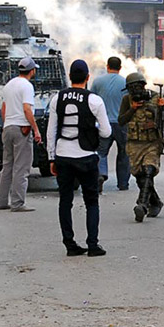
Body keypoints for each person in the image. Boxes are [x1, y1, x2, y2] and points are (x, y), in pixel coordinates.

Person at [47, 60, 111, 255]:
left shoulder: (57, 98)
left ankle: (70, 244)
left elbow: (51, 131)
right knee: (91, 201)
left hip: (63, 155)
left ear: (69, 76)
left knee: (65, 200)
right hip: (86, 156)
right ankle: (93, 244)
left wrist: (51, 157)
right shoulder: (94, 100)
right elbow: (107, 132)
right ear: (87, 77)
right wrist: (94, 132)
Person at [120, 72, 164, 222]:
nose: (135, 91)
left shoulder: (156, 98)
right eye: (132, 88)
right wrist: (132, 108)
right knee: (139, 177)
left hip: (152, 142)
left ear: (144, 86)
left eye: (138, 87)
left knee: (148, 170)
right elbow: (121, 120)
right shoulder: (127, 100)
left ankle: (142, 205)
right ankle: (155, 202)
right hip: (134, 144)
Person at [0, 57, 42, 213]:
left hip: (7, 127)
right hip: (22, 128)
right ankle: (17, 203)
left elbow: (4, 107)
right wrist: (35, 129)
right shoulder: (27, 86)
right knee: (22, 167)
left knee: (7, 165)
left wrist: (6, 123)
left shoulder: (9, 85)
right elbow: (27, 108)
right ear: (32, 70)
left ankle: (1, 201)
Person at [92, 56, 130, 191]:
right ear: (120, 68)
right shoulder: (126, 82)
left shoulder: (98, 82)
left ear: (107, 66)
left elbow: (92, 101)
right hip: (122, 123)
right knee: (124, 153)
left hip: (103, 123)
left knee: (101, 152)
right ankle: (123, 183)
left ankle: (101, 175)